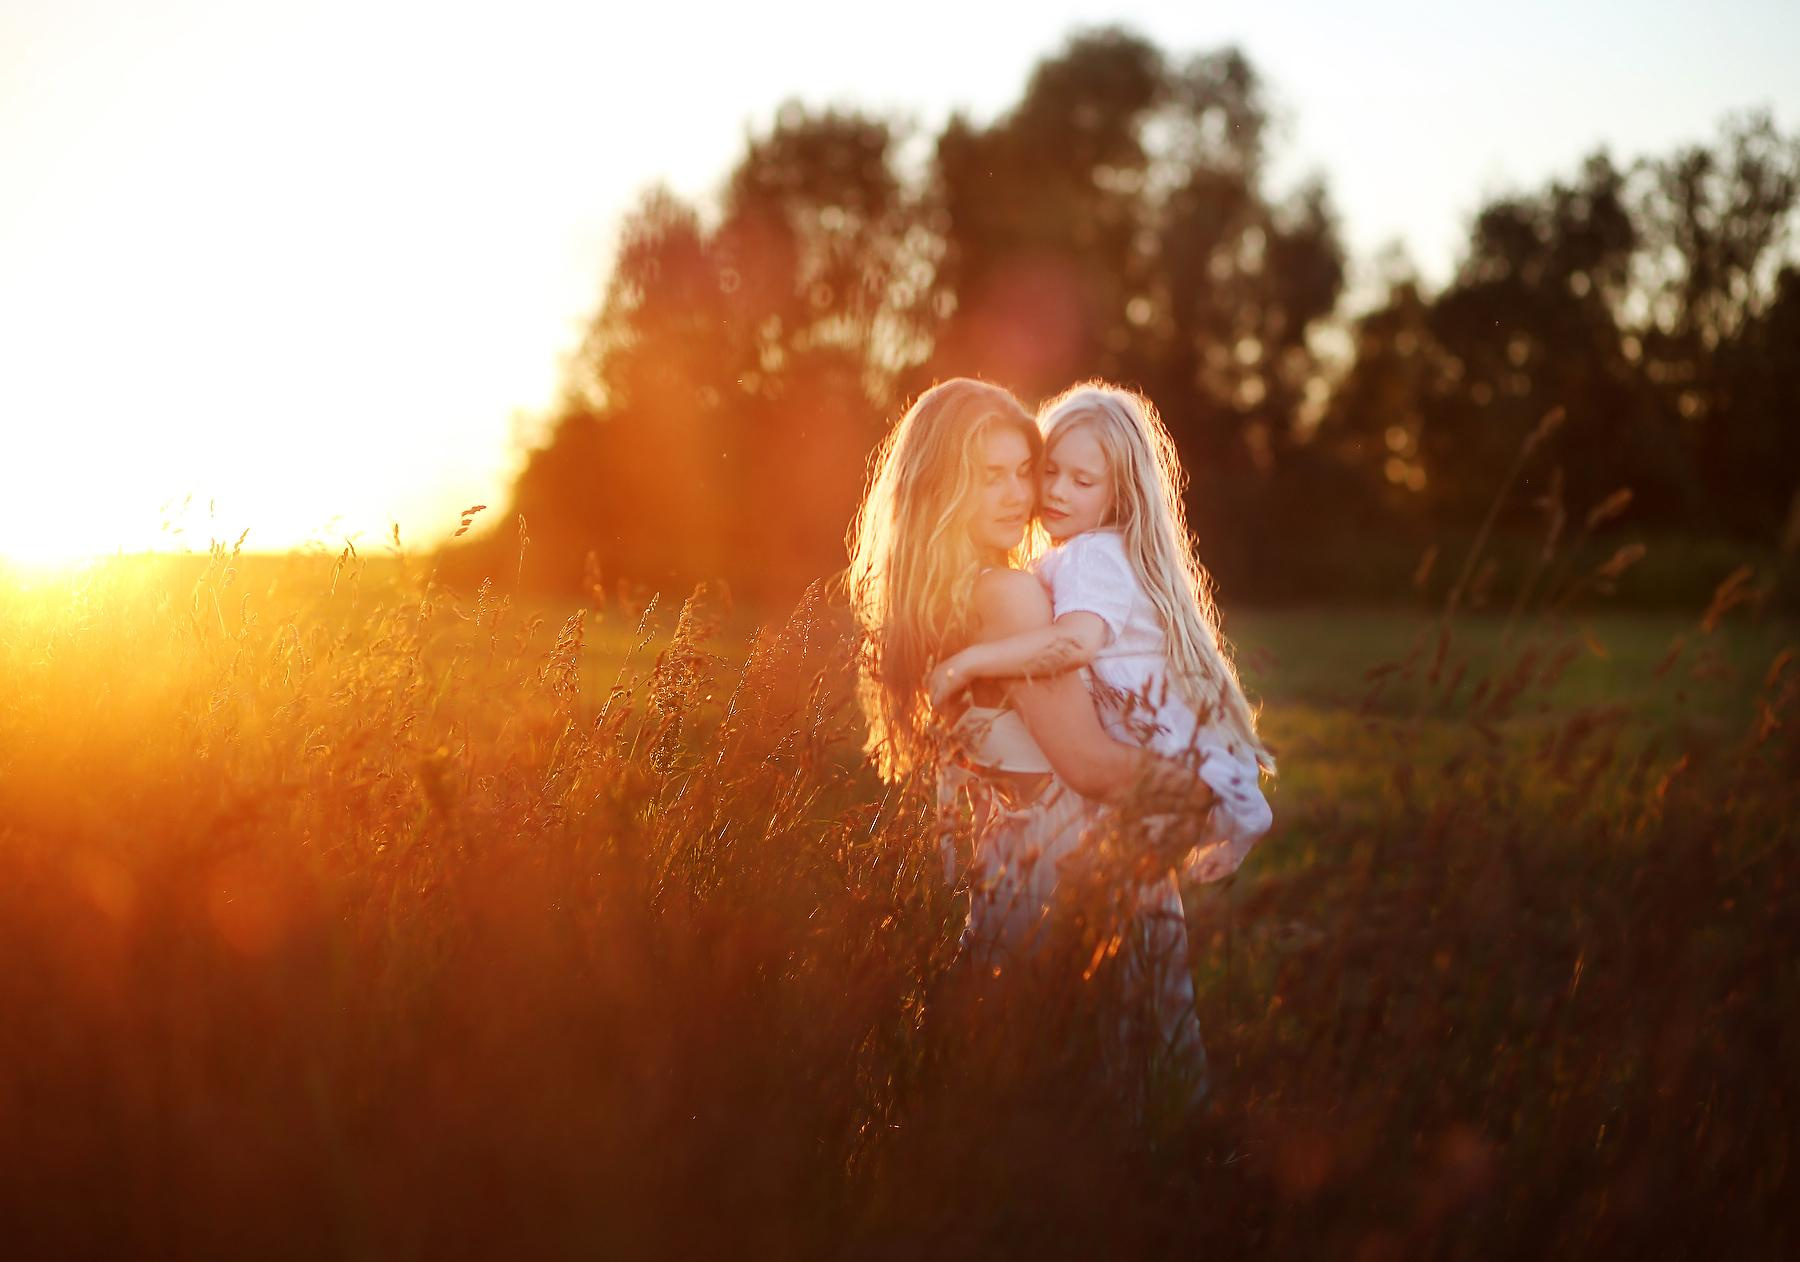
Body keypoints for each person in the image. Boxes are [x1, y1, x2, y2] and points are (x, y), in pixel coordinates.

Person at [844, 377, 1218, 1103]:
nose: (1020, 495)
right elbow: (1088, 763)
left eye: (1025, 470)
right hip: (1077, 879)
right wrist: (1206, 781)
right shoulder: (1010, 597)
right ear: (942, 484)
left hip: (1004, 882)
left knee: (1015, 1094)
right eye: (990, 477)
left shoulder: (931, 600)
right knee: (1135, 1099)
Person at [925, 381, 1275, 1101]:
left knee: (1121, 1049)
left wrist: (965, 665)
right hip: (1069, 855)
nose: (1038, 492)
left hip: (1083, 847)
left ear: (1118, 496)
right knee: (1141, 1046)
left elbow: (1075, 671)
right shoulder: (1031, 574)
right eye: (1039, 470)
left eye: (1055, 475)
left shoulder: (1067, 569)